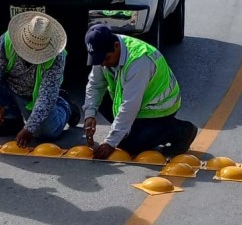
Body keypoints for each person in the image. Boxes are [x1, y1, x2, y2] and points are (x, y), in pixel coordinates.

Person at [81, 24, 198, 160]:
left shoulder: (139, 60)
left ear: (116, 46)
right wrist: (89, 115)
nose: (103, 64)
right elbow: (95, 85)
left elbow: (130, 105)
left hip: (158, 109)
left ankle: (179, 131)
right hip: (135, 102)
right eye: (99, 60)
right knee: (99, 102)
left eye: (106, 59)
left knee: (128, 145)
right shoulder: (103, 52)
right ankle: (133, 131)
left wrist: (111, 142)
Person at [0, 11, 82, 148]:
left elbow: (46, 96)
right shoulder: (6, 41)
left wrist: (30, 128)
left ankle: (65, 106)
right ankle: (11, 119)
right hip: (9, 87)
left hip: (33, 96)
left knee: (46, 133)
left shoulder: (56, 56)